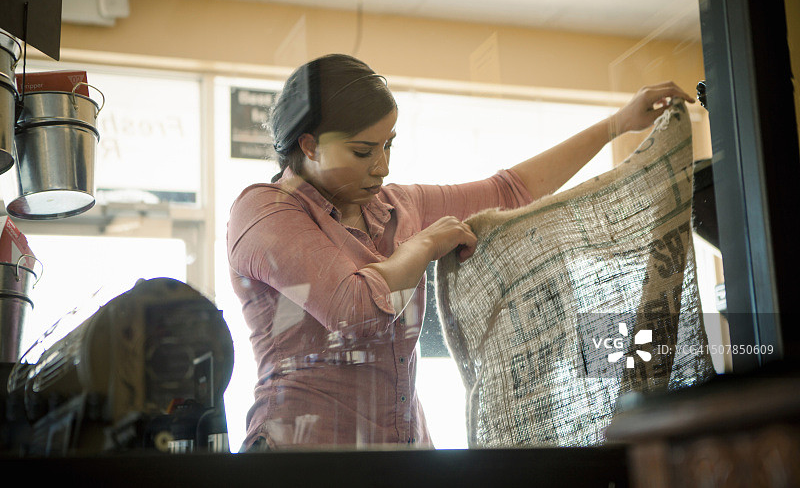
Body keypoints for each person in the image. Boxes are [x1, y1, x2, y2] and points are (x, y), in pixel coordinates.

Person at [227, 53, 694, 451]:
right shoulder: (264, 211)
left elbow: (510, 191)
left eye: (388, 145)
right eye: (363, 151)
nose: (383, 166)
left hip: (402, 449)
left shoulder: (395, 207)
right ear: (309, 145)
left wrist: (617, 124)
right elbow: (353, 310)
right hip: (302, 457)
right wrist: (426, 244)